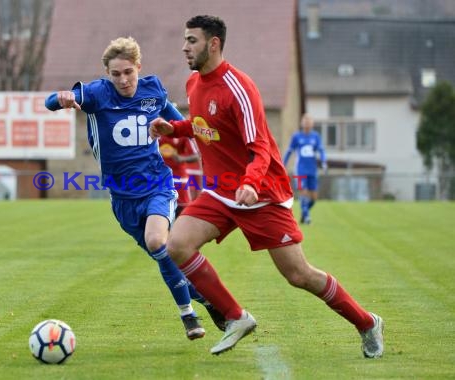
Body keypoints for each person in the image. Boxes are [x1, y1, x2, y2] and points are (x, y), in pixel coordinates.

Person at [149, 15, 384, 357]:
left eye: (192, 40)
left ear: (213, 44)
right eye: (185, 40)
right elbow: (205, 125)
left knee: (299, 275)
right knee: (177, 245)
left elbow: (259, 146)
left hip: (261, 195)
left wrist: (250, 184)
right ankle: (236, 317)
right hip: (220, 191)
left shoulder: (239, 88)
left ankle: (366, 323)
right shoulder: (193, 84)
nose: (185, 47)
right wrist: (176, 129)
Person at [45, 36, 225, 340]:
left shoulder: (152, 90)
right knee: (167, 260)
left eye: (128, 72)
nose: (123, 80)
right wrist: (60, 98)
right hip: (123, 199)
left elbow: (178, 120)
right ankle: (209, 300)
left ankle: (188, 317)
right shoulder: (96, 94)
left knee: (158, 242)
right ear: (107, 74)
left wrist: (202, 142)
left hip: (157, 185)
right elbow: (51, 101)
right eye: (116, 74)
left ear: (138, 67)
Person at [283, 113, 327, 224]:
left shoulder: (316, 136)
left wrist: (324, 162)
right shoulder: (296, 136)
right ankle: (307, 217)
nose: (307, 123)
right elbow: (289, 151)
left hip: (312, 170)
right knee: (303, 192)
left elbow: (321, 150)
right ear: (302, 123)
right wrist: (283, 164)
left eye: (309, 121)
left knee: (313, 198)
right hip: (300, 169)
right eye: (305, 121)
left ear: (312, 124)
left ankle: (304, 211)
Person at [158, 135, 201, 215]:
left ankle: (182, 226)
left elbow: (197, 155)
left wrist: (181, 158)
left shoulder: (183, 136)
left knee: (183, 206)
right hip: (161, 177)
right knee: (160, 205)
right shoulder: (159, 135)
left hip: (180, 176)